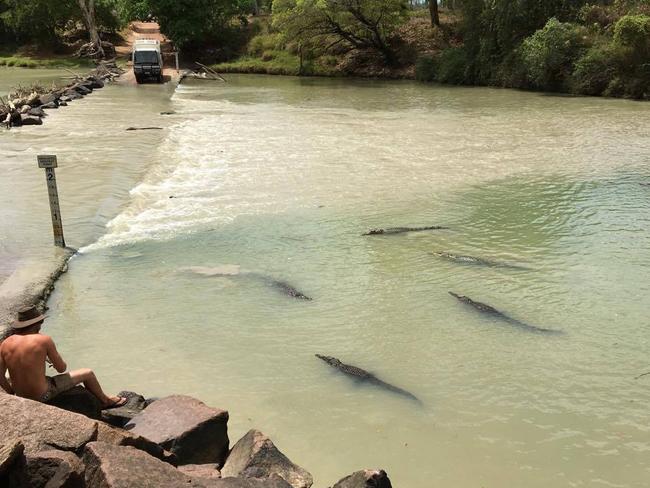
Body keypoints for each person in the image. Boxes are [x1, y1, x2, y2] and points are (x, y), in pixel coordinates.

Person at [0, 305, 126, 408]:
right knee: (88, 373)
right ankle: (105, 401)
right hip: (43, 395)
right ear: (38, 323)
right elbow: (61, 368)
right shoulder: (44, 340)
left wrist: (12, 392)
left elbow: (1, 375)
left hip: (20, 396)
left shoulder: (5, 343)